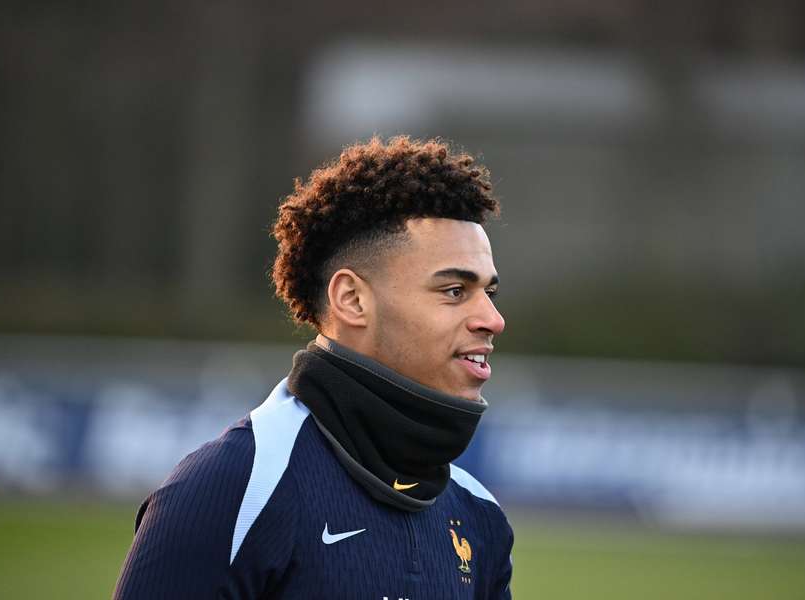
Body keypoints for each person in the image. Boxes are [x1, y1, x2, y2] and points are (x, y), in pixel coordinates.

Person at [114, 135, 513, 599]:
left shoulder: (479, 518)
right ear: (352, 300)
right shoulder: (235, 489)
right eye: (453, 291)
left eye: (490, 293)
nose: (492, 319)